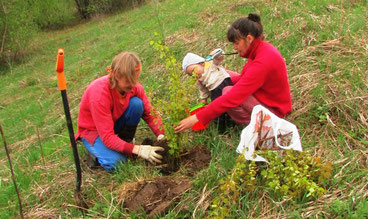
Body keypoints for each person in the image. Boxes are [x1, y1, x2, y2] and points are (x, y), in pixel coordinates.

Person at [175, 13, 292, 133]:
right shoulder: (261, 49)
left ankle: (257, 125)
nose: (234, 48)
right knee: (223, 75)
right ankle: (221, 110)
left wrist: (197, 117)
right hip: (264, 96)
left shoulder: (262, 62)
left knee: (227, 91)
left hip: (275, 112)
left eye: (236, 43)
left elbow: (233, 96)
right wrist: (219, 80)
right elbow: (243, 78)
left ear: (249, 38)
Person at [76, 51, 165, 172]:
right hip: (94, 132)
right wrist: (138, 150)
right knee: (118, 163)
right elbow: (107, 136)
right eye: (129, 81)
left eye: (136, 79)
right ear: (117, 75)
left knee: (137, 104)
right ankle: (96, 154)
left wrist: (161, 134)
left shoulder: (134, 87)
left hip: (112, 122)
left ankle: (124, 143)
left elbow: (149, 113)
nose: (134, 85)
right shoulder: (99, 95)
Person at [181, 50, 233, 129]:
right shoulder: (199, 79)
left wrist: (215, 53)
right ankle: (222, 125)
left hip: (224, 83)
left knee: (224, 105)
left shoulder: (211, 63)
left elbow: (219, 57)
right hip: (214, 91)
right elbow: (203, 89)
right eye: (191, 74)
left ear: (200, 63)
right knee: (217, 109)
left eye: (193, 71)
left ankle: (228, 120)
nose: (194, 75)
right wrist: (204, 98)